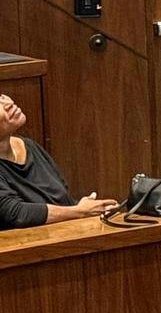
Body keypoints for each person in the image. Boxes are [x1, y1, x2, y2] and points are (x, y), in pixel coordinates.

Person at [0, 92, 120, 229]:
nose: (8, 103)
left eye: (0, 96)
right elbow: (17, 214)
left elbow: (62, 200)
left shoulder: (30, 146)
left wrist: (85, 206)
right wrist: (80, 211)